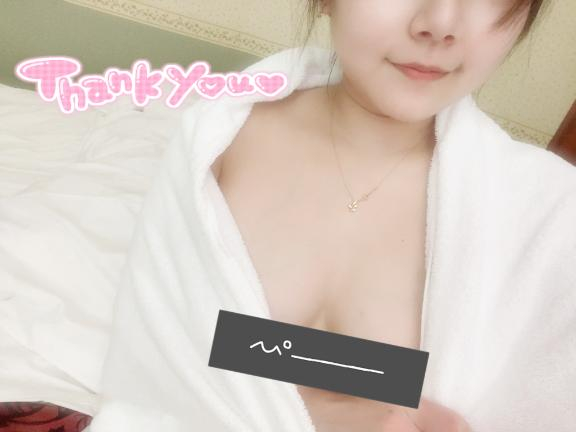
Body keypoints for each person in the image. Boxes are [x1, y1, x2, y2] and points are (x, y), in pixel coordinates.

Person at [209, 0, 549, 430]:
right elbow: (161, 338)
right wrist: (331, 407)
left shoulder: (547, 217)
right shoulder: (220, 137)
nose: (440, 24)